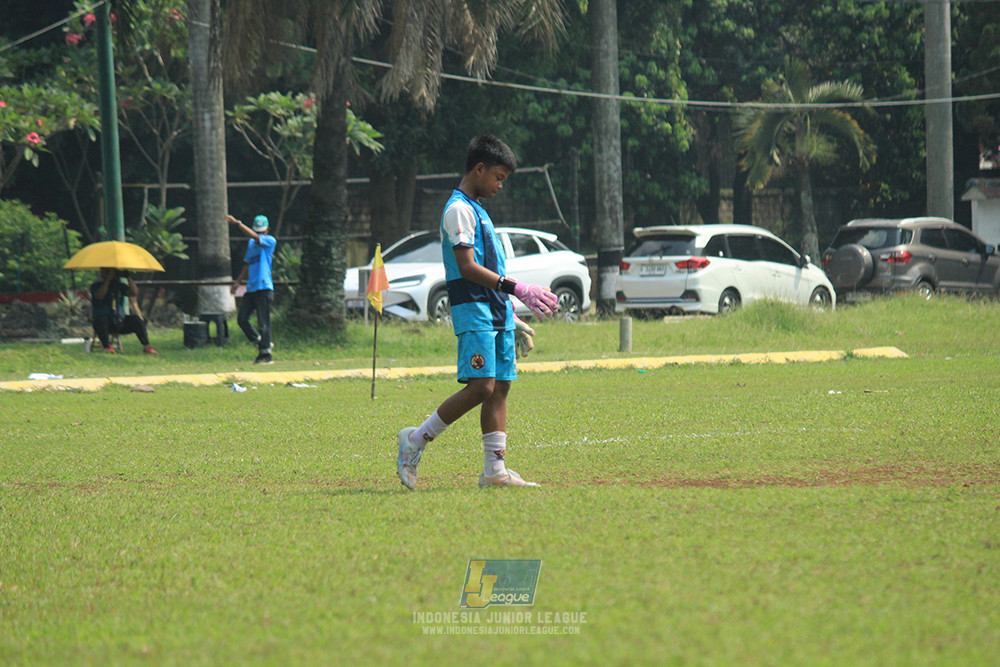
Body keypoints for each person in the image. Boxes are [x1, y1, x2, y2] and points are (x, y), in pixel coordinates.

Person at [396, 135, 559, 490]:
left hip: (494, 311)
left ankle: (494, 471)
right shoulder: (459, 209)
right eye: (498, 177)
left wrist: (511, 315)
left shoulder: (479, 209)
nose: (501, 185)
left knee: (501, 387)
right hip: (473, 310)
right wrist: (518, 288)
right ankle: (416, 439)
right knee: (481, 386)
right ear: (479, 169)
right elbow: (467, 267)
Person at [227, 213, 277, 365]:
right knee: (242, 319)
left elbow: (256, 237)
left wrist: (238, 224)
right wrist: (237, 282)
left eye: (261, 232)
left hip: (264, 286)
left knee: (263, 321)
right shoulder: (251, 244)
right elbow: (247, 264)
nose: (260, 234)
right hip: (252, 287)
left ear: (267, 230)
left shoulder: (269, 241)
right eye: (258, 231)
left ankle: (265, 355)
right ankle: (261, 341)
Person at [89, 267, 156, 354]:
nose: (105, 273)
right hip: (103, 323)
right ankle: (107, 347)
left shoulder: (118, 286)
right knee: (101, 320)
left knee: (136, 319)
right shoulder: (95, 286)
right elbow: (100, 296)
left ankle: (146, 346)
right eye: (104, 271)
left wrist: (128, 277)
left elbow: (134, 293)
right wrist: (108, 280)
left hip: (119, 320)